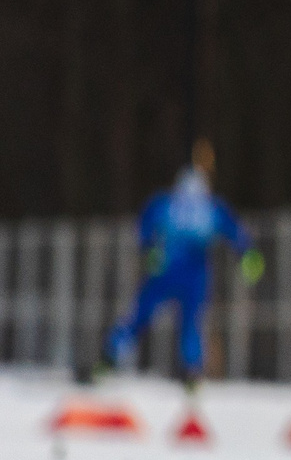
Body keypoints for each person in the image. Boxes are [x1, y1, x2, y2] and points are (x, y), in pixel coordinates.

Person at [103, 140, 261, 386]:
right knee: (190, 322)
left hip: (165, 268)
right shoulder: (211, 208)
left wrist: (149, 250)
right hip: (193, 273)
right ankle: (191, 369)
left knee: (142, 316)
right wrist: (248, 255)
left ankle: (111, 355)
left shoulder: (167, 203)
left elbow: (145, 224)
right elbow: (235, 233)